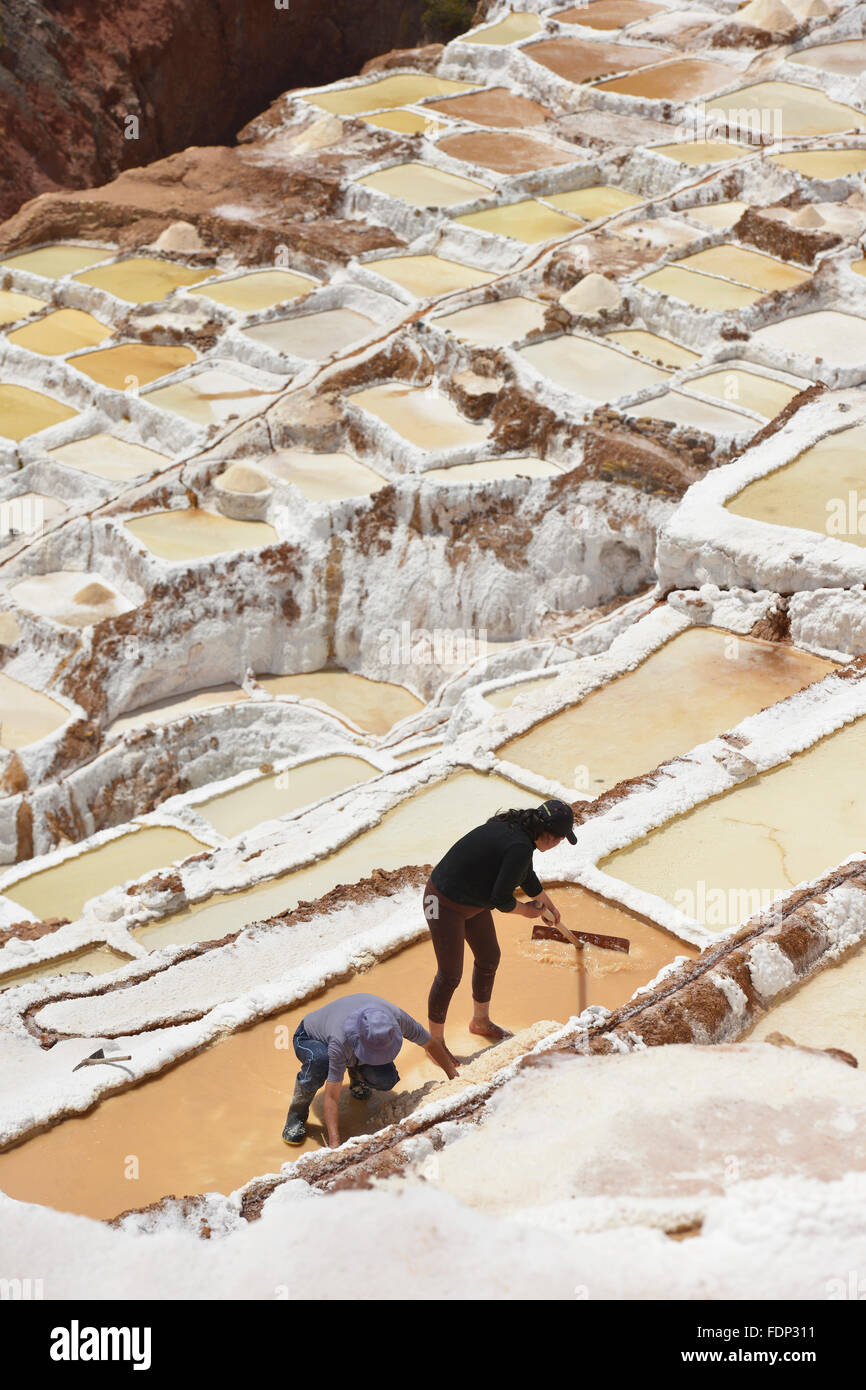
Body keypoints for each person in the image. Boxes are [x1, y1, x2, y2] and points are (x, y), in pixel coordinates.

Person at [424, 798, 576, 1057]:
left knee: (489, 956)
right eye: (562, 838)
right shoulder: (519, 846)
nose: (560, 843)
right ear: (550, 837)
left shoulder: (521, 831)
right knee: (449, 975)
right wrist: (528, 911)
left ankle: (480, 1023)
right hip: (442, 902)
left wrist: (547, 905)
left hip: (471, 899)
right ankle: (434, 1045)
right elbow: (501, 901)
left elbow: (526, 875)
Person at [282, 991, 457, 1148]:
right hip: (310, 1037)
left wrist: (454, 1077)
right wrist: (335, 1143)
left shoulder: (394, 1018)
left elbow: (431, 1044)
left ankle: (357, 1075)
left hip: (351, 1040)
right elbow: (332, 1096)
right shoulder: (340, 1040)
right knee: (320, 1061)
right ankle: (296, 1114)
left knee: (386, 1078)